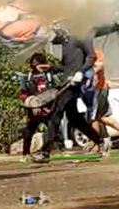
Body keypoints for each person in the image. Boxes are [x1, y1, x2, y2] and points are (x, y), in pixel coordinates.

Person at [39, 27, 105, 161]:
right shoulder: (66, 44)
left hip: (72, 83)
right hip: (67, 82)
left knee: (55, 114)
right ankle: (100, 142)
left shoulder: (80, 35)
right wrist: (51, 67)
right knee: (74, 118)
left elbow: (91, 56)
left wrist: (80, 72)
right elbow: (65, 67)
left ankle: (45, 152)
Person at [18, 53, 56, 162]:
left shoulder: (50, 76)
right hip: (33, 110)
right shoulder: (28, 78)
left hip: (48, 109)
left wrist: (49, 107)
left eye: (38, 64)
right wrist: (33, 103)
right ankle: (26, 154)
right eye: (33, 64)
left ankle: (45, 153)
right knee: (28, 131)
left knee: (52, 130)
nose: (36, 67)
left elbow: (55, 92)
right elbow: (23, 94)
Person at [89, 48, 117, 151]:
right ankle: (101, 143)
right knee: (99, 118)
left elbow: (100, 65)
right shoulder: (83, 53)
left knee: (98, 118)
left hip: (99, 89)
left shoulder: (94, 52)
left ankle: (96, 144)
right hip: (93, 90)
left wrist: (89, 71)